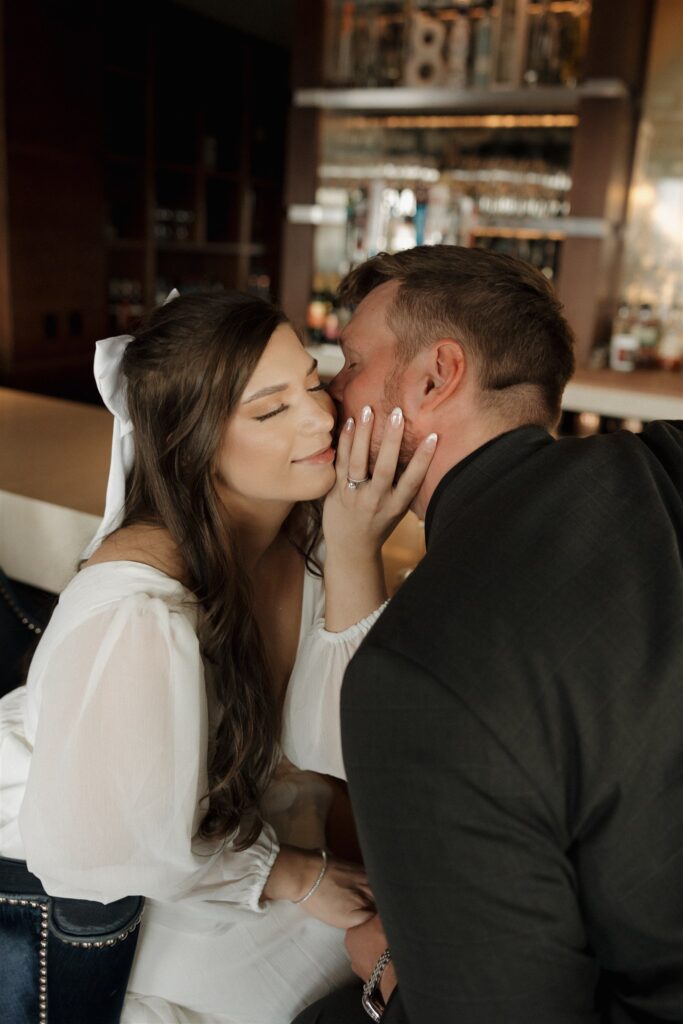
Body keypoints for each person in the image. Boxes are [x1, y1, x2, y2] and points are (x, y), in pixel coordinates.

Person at [0, 289, 437, 1024]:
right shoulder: (137, 607)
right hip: (131, 891)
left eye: (310, 380)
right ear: (189, 442)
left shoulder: (306, 530)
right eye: (270, 410)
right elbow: (110, 850)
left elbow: (339, 744)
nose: (319, 416)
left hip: (233, 840)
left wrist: (356, 546)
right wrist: (292, 875)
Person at [289, 245, 683, 1023]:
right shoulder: (666, 460)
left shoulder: (416, 674)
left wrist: (386, 977)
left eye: (349, 362)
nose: (330, 393)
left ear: (436, 375)